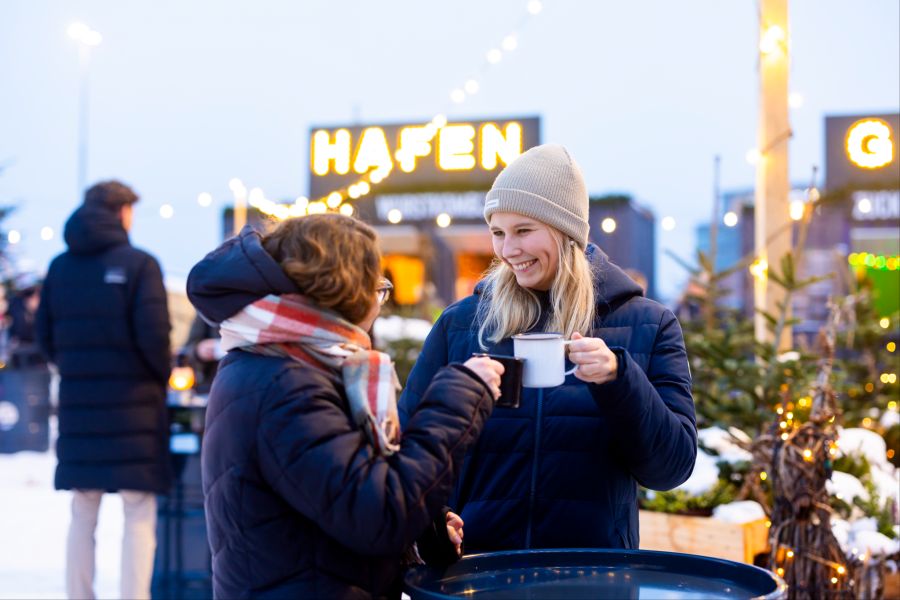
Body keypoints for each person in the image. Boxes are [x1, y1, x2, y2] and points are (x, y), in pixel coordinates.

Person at [399, 144, 698, 552]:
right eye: (498, 233)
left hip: (592, 577)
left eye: (523, 231)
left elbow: (672, 468)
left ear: (566, 232)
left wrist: (619, 380)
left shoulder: (649, 325)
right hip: (477, 576)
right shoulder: (462, 324)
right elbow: (408, 451)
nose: (507, 250)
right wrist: (434, 532)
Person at [186, 214, 503, 598]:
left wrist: (421, 536)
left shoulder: (284, 360)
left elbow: (340, 501)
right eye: (379, 288)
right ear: (347, 291)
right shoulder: (287, 384)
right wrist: (460, 394)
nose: (379, 303)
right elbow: (378, 514)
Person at [35, 180, 172, 600]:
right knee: (137, 510)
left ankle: (80, 595)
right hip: (135, 409)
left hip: (80, 407)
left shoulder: (60, 267)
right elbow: (154, 338)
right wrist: (162, 373)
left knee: (83, 509)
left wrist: (76, 369)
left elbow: (45, 337)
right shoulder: (140, 265)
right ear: (122, 212)